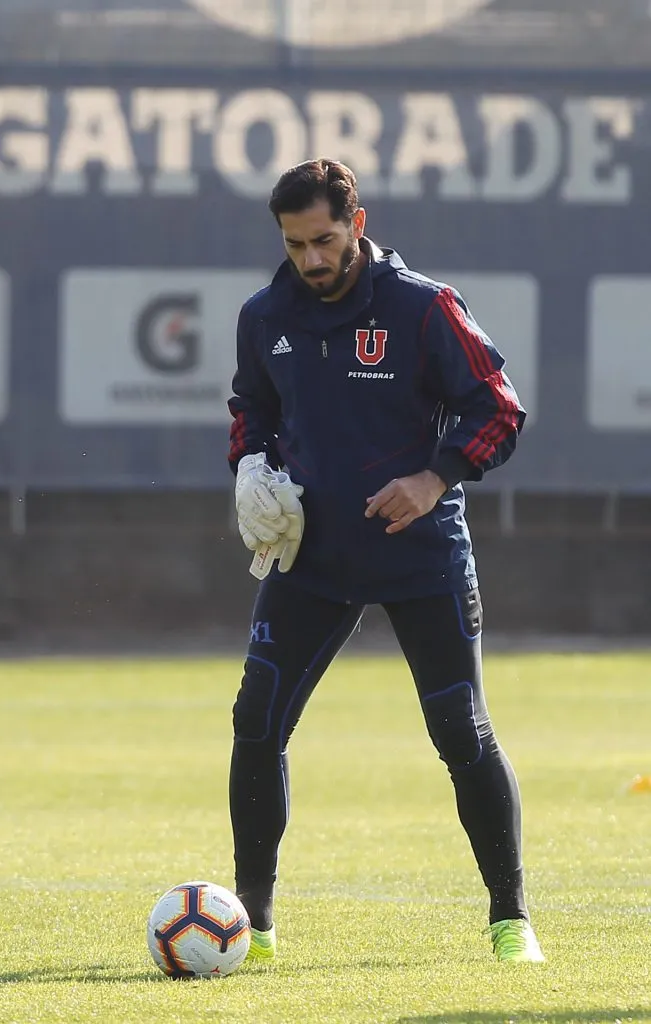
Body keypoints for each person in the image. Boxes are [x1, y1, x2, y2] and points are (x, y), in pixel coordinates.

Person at [227, 158, 544, 964]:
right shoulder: (264, 315)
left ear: (356, 226)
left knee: (459, 731)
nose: (311, 260)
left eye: (324, 240)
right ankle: (251, 929)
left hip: (421, 558)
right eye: (295, 244)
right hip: (311, 561)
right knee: (255, 726)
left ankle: (510, 921)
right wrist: (250, 468)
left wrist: (435, 475)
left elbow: (497, 408)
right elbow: (251, 410)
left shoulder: (424, 307)